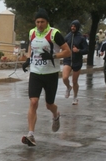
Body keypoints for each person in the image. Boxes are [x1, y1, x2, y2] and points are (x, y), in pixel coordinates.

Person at [21, 8, 71, 146]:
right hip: (36, 73)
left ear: (47, 22)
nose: (39, 24)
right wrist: (28, 60)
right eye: (37, 21)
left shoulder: (54, 33)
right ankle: (30, 134)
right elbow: (32, 48)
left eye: (42, 21)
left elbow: (68, 52)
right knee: (33, 102)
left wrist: (53, 56)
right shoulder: (32, 32)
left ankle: (56, 115)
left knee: (49, 104)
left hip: (50, 74)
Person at [62, 20, 89, 105]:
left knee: (74, 81)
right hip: (68, 60)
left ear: (77, 27)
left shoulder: (81, 38)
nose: (73, 27)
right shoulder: (67, 37)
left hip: (77, 61)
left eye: (74, 26)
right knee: (64, 78)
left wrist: (78, 50)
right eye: (71, 26)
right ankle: (68, 87)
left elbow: (87, 50)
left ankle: (75, 96)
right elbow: (62, 46)